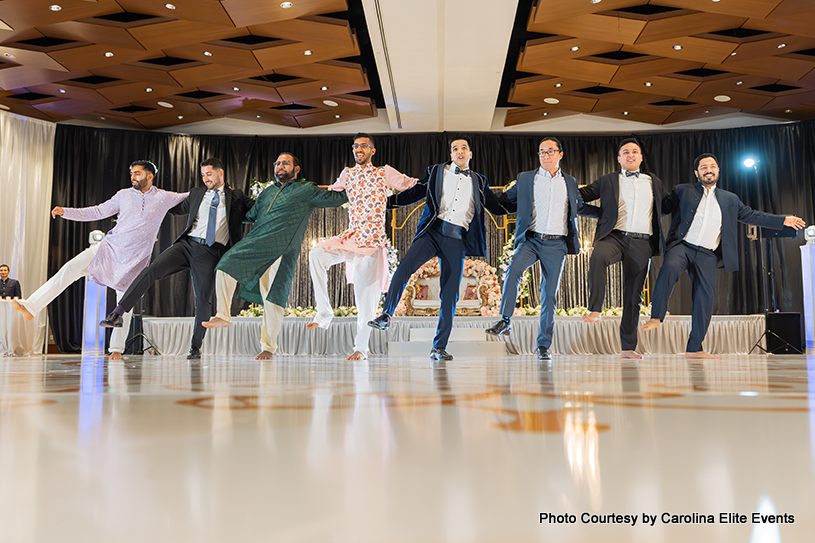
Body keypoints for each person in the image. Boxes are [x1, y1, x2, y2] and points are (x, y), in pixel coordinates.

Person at [13, 161, 188, 359]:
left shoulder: (164, 197)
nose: (133, 177)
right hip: (108, 248)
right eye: (131, 173)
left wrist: (220, 189)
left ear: (149, 176)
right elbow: (98, 211)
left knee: (125, 305)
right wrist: (67, 212)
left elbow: (194, 196)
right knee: (69, 268)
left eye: (137, 173)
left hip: (135, 260)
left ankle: (116, 349)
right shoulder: (123, 194)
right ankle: (31, 306)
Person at [640, 153, 805, 359]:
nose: (708, 170)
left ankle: (695, 348)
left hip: (708, 254)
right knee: (669, 268)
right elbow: (662, 208)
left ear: (718, 170)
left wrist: (782, 220)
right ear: (696, 172)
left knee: (705, 298)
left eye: (712, 166)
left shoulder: (730, 198)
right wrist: (649, 185)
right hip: (682, 246)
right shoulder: (682, 190)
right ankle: (657, 317)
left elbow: (752, 215)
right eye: (703, 167)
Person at [368, 135, 511, 361]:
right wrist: (387, 203)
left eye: (464, 148)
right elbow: (415, 193)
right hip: (432, 233)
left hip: (456, 240)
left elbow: (497, 207)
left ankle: (439, 347)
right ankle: (386, 315)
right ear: (451, 154)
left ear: (470, 154)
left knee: (450, 294)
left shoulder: (480, 181)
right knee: (404, 267)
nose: (460, 151)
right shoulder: (436, 172)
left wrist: (522, 204)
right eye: (455, 148)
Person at [100, 158, 254, 359]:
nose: (206, 178)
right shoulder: (197, 193)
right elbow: (168, 206)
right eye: (203, 175)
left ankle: (195, 347)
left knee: (203, 299)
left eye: (209, 174)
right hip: (186, 245)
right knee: (151, 270)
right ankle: (118, 313)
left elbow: (257, 210)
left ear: (220, 173)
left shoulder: (237, 197)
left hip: (211, 251)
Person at [202, 152, 348, 360]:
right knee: (225, 265)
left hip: (281, 249)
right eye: (277, 163)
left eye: (285, 163)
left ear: (296, 169)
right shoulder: (267, 192)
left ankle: (268, 347)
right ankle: (223, 315)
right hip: (256, 244)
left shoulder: (307, 189)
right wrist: (230, 201)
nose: (280, 166)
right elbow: (250, 215)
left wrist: (360, 186)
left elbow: (337, 199)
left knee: (272, 298)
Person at [307, 133, 418, 361]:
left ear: (372, 151)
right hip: (351, 237)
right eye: (356, 146)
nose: (359, 149)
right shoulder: (347, 173)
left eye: (364, 146)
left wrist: (436, 181)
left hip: (372, 242)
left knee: (365, 297)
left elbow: (410, 184)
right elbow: (330, 190)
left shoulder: (383, 172)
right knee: (316, 254)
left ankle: (361, 348)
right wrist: (300, 189)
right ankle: (324, 311)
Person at [485, 137, 586, 361]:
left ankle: (543, 346)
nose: (545, 156)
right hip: (531, 240)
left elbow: (580, 206)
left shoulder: (570, 182)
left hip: (557, 244)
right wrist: (480, 193)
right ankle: (505, 320)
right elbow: (503, 202)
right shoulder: (525, 178)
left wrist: (607, 214)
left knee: (549, 295)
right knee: (513, 270)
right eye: (542, 152)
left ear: (560, 154)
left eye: (550, 152)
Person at [578, 138, 668, 359]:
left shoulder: (653, 181)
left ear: (640, 157)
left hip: (642, 242)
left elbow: (666, 206)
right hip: (614, 237)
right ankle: (596, 308)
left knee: (633, 296)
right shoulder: (608, 180)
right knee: (598, 256)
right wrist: (600, 214)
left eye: (635, 152)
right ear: (619, 159)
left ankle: (628, 348)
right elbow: (580, 197)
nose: (630, 155)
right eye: (625, 152)